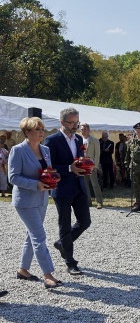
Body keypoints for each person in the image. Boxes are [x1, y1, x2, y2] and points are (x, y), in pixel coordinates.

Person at [8, 117, 62, 288]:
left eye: (42, 129)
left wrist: (52, 178)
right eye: (37, 129)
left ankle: (23, 270)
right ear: (27, 132)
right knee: (39, 236)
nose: (41, 132)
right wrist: (36, 184)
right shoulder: (17, 150)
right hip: (24, 201)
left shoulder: (45, 149)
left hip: (42, 198)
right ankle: (48, 275)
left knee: (31, 235)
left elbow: (48, 170)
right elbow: (13, 177)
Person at [44, 107, 91, 276]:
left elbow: (78, 160)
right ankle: (70, 262)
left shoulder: (79, 139)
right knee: (64, 225)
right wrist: (69, 168)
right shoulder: (52, 141)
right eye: (71, 123)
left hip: (79, 186)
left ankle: (61, 244)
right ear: (62, 122)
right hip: (62, 188)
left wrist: (85, 166)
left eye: (76, 122)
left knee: (85, 222)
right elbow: (48, 166)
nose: (75, 126)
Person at [80, 123, 103, 209]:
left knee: (95, 184)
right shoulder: (79, 140)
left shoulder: (94, 140)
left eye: (85, 129)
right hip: (82, 165)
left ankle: (99, 201)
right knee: (85, 185)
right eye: (82, 129)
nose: (83, 131)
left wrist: (95, 166)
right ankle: (88, 201)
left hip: (91, 166)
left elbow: (97, 154)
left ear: (89, 130)